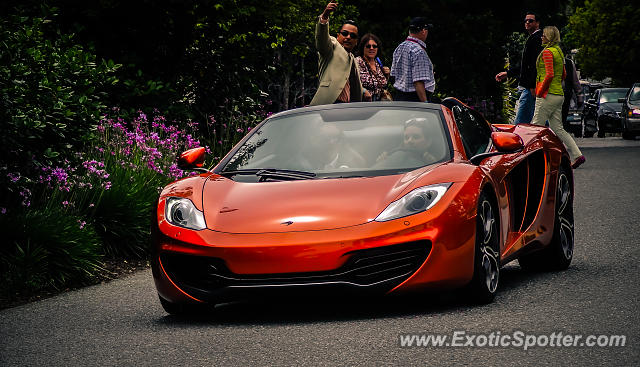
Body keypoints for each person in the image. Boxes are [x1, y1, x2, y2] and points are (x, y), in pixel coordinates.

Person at [531, 26, 585, 169]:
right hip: (559, 94)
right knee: (558, 128)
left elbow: (548, 74)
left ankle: (533, 160)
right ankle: (577, 155)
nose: (541, 37)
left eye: (543, 35)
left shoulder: (548, 52)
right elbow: (563, 75)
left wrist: (540, 91)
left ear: (549, 37)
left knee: (535, 127)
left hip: (547, 95)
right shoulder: (559, 52)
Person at [309, 1, 365, 106]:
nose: (348, 37)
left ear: (356, 41)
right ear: (338, 35)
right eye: (345, 33)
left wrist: (364, 92)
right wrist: (324, 17)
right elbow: (322, 40)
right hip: (329, 104)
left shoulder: (353, 59)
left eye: (353, 36)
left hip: (349, 107)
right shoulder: (332, 45)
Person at [495, 12, 544, 124]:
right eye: (525, 20)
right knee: (539, 120)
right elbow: (526, 65)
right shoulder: (534, 38)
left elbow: (535, 65)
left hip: (531, 87)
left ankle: (518, 141)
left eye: (530, 21)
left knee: (520, 123)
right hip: (532, 86)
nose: (527, 22)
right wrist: (508, 73)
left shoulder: (536, 39)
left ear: (537, 23)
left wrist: (532, 85)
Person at [390, 17, 435, 102]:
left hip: (399, 97)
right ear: (424, 31)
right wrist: (425, 103)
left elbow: (393, 76)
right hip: (415, 98)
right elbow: (418, 82)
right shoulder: (419, 51)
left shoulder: (399, 47)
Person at [375, 117, 442, 168]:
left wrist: (433, 165)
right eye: (406, 138)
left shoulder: (441, 160)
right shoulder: (393, 155)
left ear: (428, 142)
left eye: (416, 137)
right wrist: (381, 162)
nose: (409, 141)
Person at [355, 33, 390, 101]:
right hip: (363, 103)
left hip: (379, 103)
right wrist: (364, 91)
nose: (371, 48)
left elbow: (383, 84)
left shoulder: (378, 62)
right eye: (368, 46)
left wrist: (387, 75)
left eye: (374, 46)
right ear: (363, 48)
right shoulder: (357, 62)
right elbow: (352, 83)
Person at [561, 56, 583, 126]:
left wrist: (579, 97)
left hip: (562, 94)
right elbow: (575, 82)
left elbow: (575, 82)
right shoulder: (569, 63)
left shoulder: (569, 63)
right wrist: (579, 97)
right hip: (565, 93)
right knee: (561, 118)